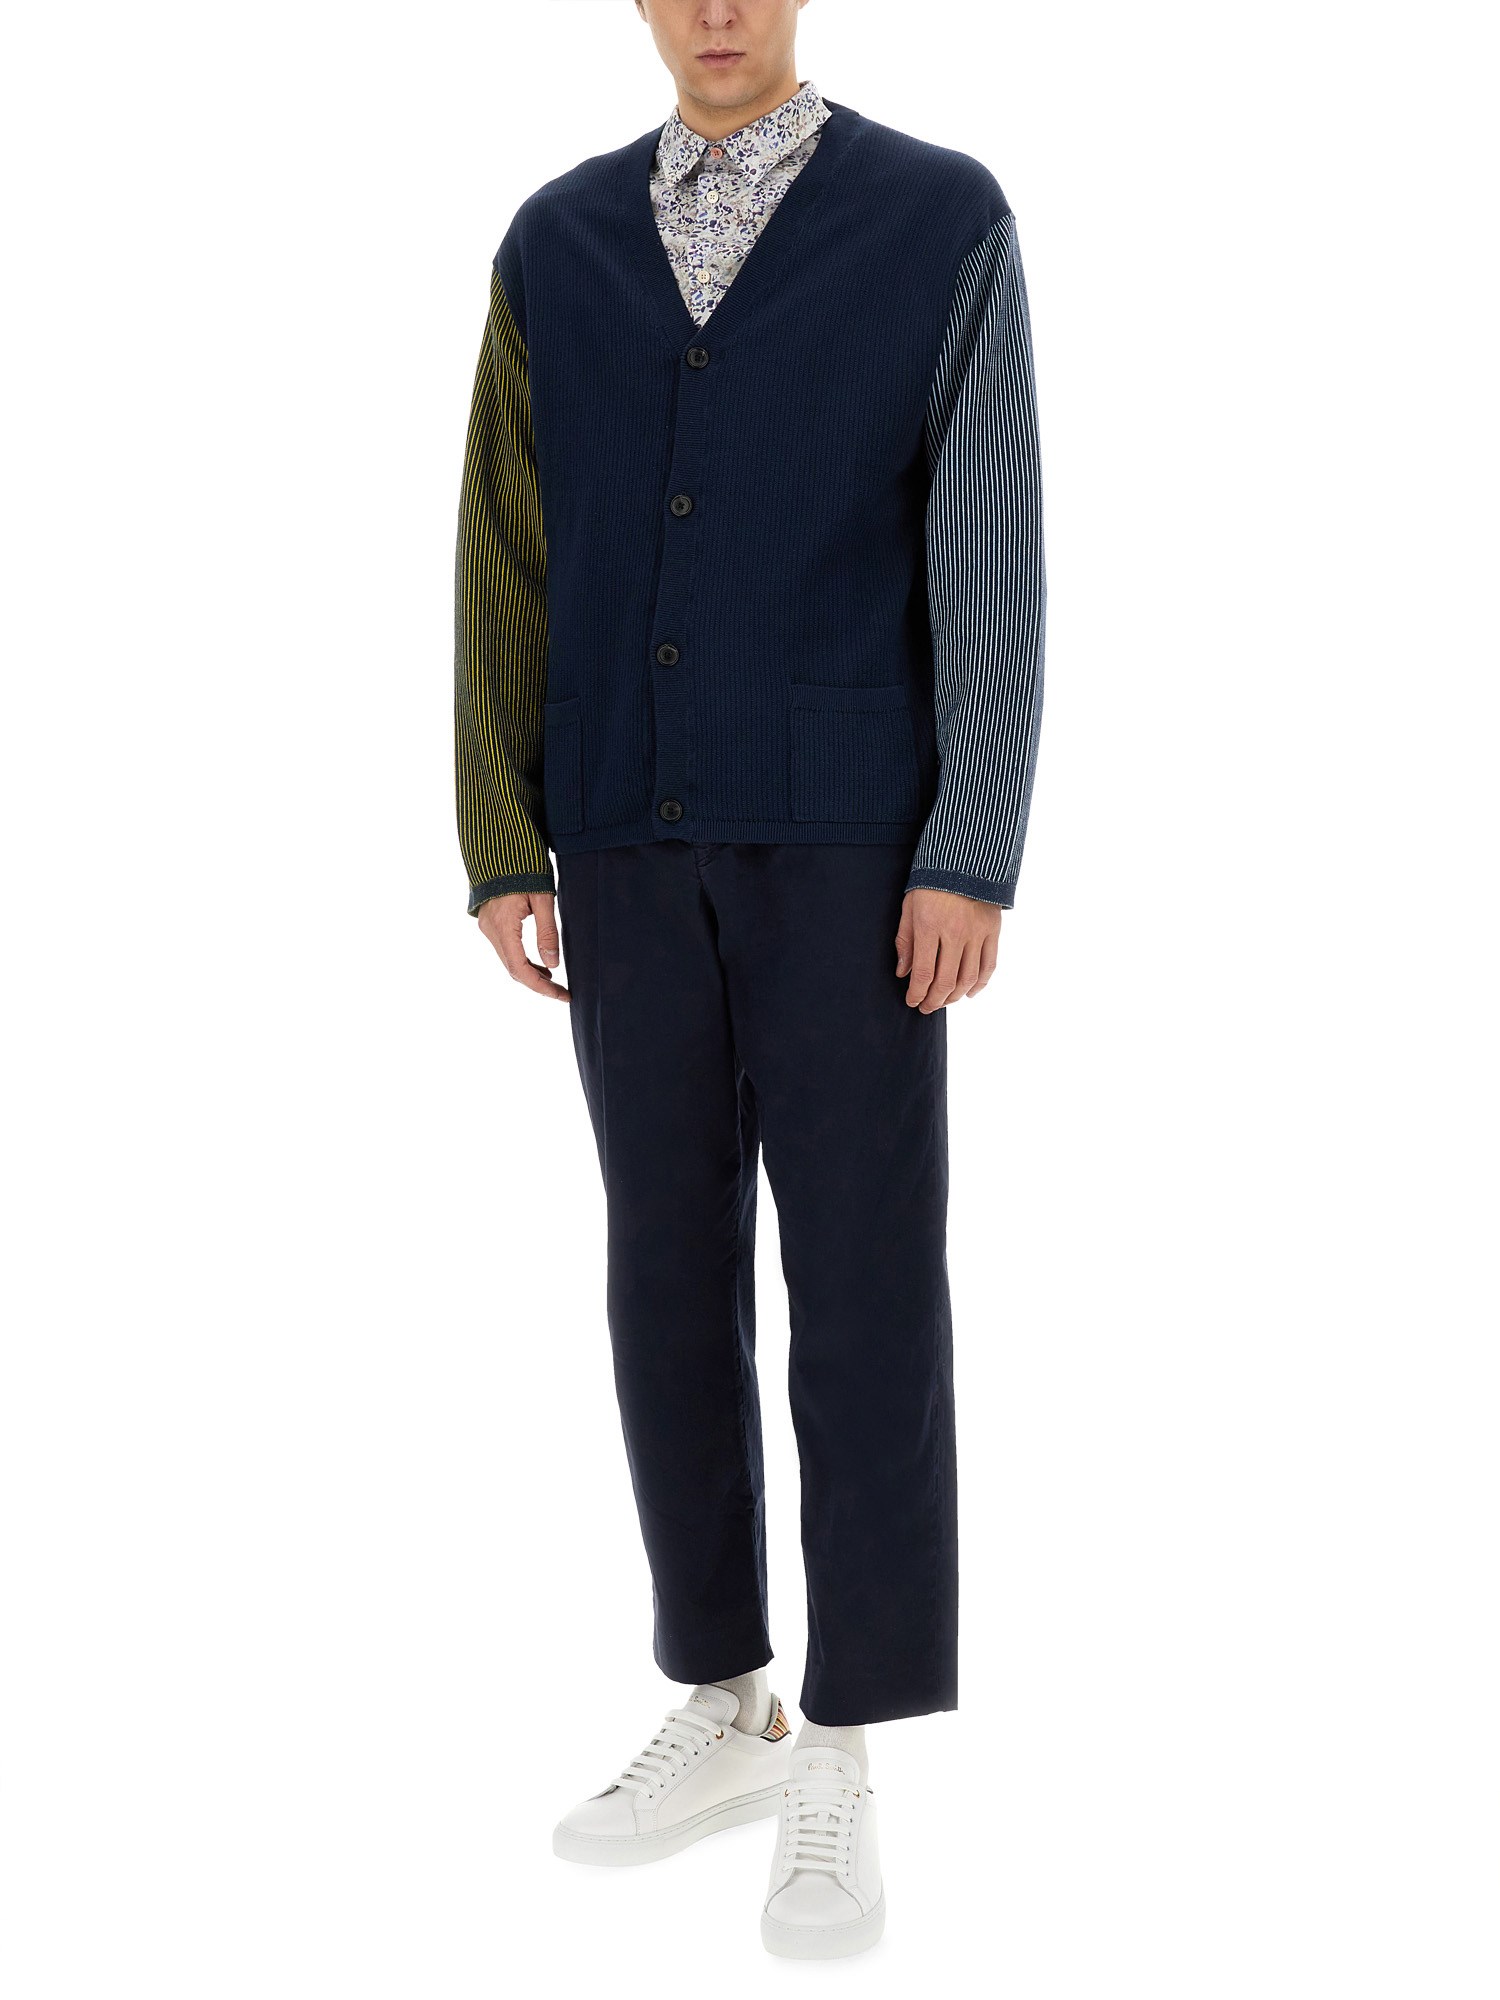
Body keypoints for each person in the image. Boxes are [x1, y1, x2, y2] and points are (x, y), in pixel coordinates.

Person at [453, 0, 1044, 1960]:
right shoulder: (554, 239)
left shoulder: (940, 219)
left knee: (863, 1279)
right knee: (661, 1267)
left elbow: (991, 545)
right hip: (620, 833)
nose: (717, 12)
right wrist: (502, 834)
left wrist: (968, 846)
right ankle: (722, 1697)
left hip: (857, 845)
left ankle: (844, 1748)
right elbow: (504, 547)